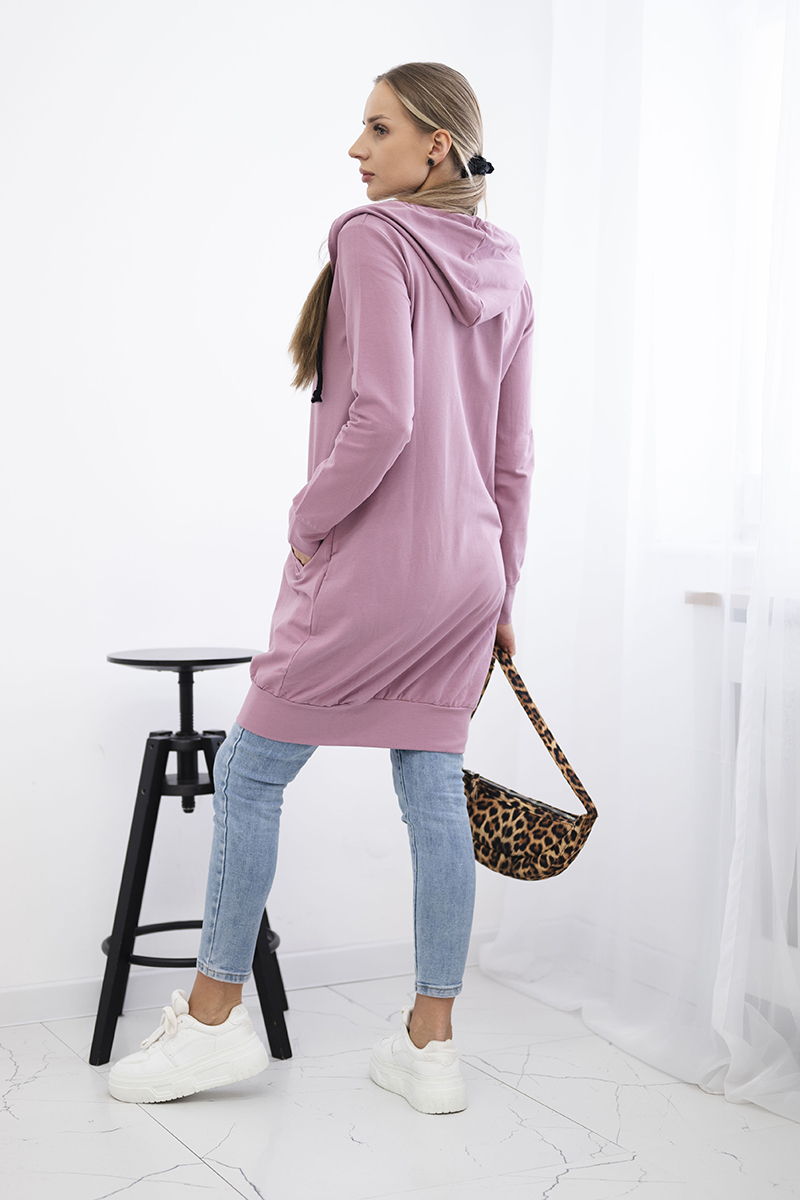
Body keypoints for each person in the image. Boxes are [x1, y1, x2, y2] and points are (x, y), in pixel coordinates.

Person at [108, 61, 534, 1115]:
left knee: (250, 771)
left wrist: (307, 520)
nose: (356, 148)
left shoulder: (373, 236)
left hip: (373, 564)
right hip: (467, 574)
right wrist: (502, 594)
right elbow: (511, 457)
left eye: (378, 127)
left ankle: (214, 1023)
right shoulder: (507, 269)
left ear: (436, 144)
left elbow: (382, 416)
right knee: (431, 791)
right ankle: (430, 1048)